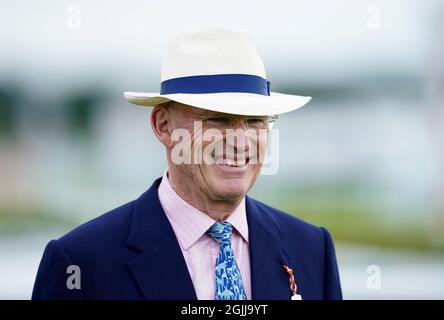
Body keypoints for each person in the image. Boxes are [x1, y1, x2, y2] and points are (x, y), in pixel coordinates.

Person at [32, 27, 342, 300]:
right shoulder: (81, 262)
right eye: (218, 119)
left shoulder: (313, 250)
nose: (240, 141)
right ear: (163, 125)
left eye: (255, 121)